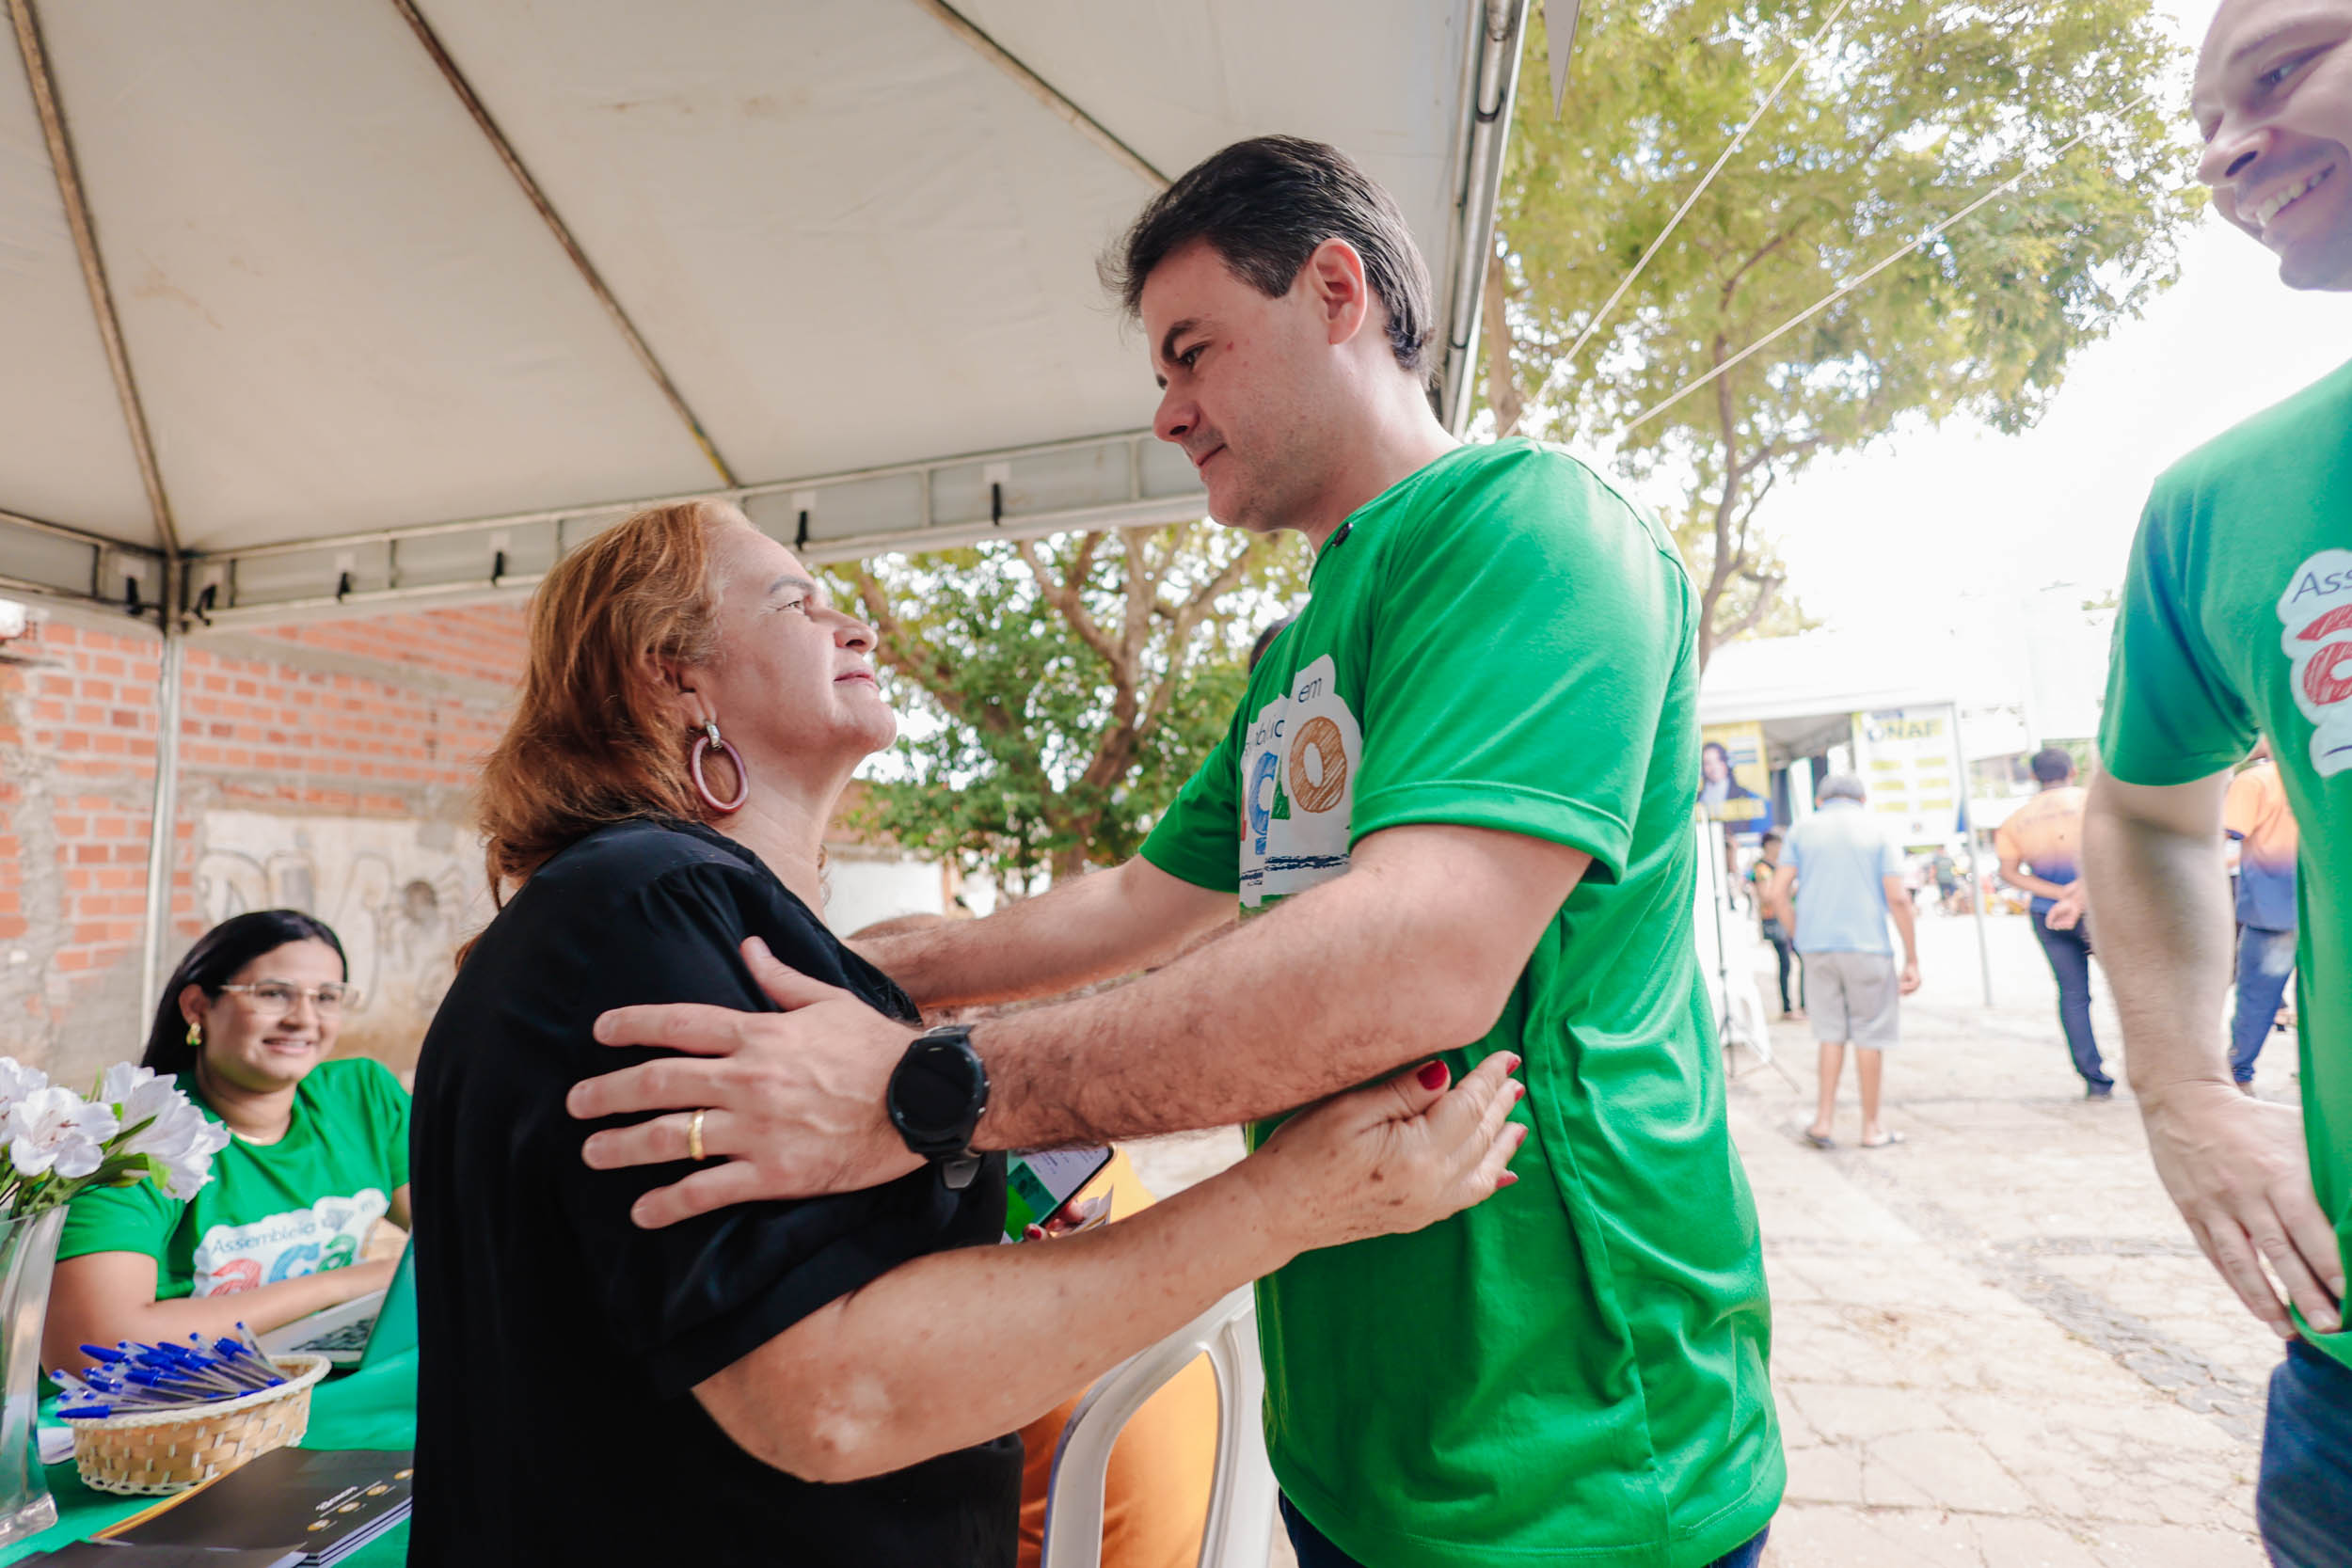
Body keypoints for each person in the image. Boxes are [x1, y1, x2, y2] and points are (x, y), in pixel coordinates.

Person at [564, 135, 1782, 1568]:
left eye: (1191, 352)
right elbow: (1141, 901)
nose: (1168, 413)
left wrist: (922, 1087)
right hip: (1358, 1442)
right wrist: (870, 963)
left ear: (1338, 292)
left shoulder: (1535, 530)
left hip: (1572, 1445)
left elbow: (1424, 956)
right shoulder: (1296, 656)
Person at [405, 500, 1520, 1567]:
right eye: (798, 604)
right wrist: (1294, 1200)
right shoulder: (645, 904)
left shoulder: (654, 909)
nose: (856, 624)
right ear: (671, 666)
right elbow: (835, 1395)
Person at [2084, 4, 2352, 1559]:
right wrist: (2184, 1090)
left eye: (2280, 68)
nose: (2226, 148)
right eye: (2203, 120)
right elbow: (2142, 808)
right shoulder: (2218, 505)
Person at [44, 911, 409, 1373]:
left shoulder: (362, 1099)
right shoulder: (137, 1137)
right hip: (170, 1422)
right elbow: (93, 1346)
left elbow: (458, 1234)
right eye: (274, 994)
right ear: (197, 1007)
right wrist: (349, 1283)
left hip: (320, 1391)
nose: (304, 1018)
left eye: (326, 997)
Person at [1766, 775, 1920, 1149]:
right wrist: (1912, 957)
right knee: (1870, 1035)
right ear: (1863, 798)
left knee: (1829, 1034)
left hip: (1817, 948)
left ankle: (1823, 1122)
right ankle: (1872, 1128)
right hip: (1868, 946)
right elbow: (1898, 897)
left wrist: (1798, 933)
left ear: (1819, 798)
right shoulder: (1877, 829)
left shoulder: (1802, 829)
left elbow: (1776, 892)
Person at [1995, 748, 2111, 1099]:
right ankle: (2152, 1069)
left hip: (2047, 912)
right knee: (2130, 990)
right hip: (2103, 908)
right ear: (2073, 771)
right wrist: (2080, 889)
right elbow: (2114, 850)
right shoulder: (2093, 802)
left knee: (2073, 995)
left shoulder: (2015, 820)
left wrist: (2059, 892)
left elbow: (2009, 873)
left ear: (2034, 777)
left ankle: (2094, 1079)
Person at [2225, 746, 2299, 1092]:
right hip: (2330, 912)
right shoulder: (2326, 772)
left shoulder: (2256, 780)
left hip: (2275, 910)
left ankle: (2240, 1074)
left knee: (2258, 997)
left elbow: (2221, 836)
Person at [1752, 832, 1802, 1020]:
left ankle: (1799, 1006)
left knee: (1792, 961)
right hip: (1773, 919)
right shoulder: (1763, 868)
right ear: (1770, 845)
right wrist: (1785, 891)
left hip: (1784, 916)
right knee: (1785, 963)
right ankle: (1788, 1008)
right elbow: (1767, 895)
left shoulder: (1778, 866)